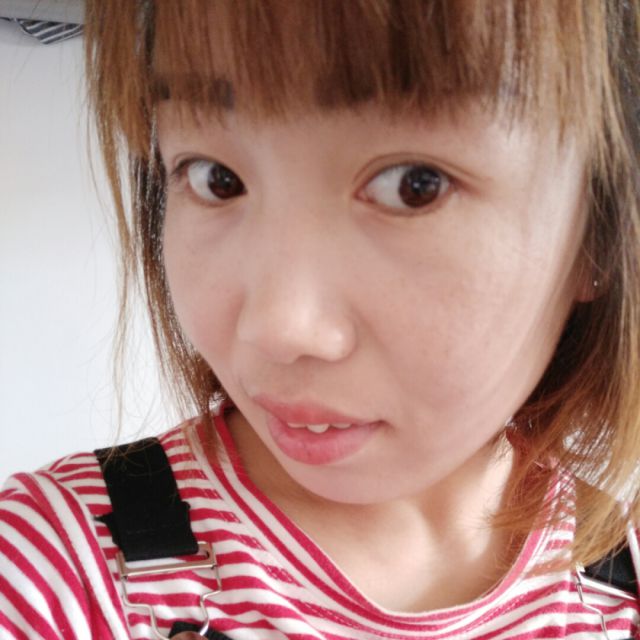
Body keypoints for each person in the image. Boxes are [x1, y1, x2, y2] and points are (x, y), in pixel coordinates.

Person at [2, 0, 640, 638]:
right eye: (217, 178)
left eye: (413, 186)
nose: (277, 329)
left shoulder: (622, 586)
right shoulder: (55, 569)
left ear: (600, 233)